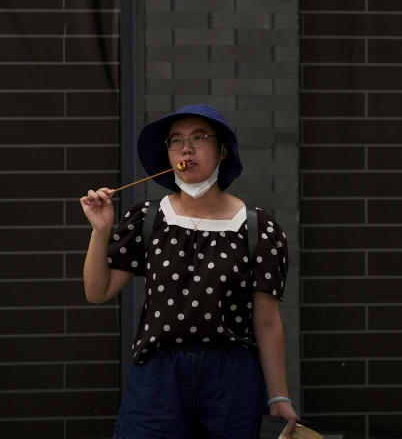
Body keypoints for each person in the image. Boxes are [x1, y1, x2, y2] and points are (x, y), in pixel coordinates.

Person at [81, 103, 299, 439]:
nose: (186, 148)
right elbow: (97, 292)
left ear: (223, 150)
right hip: (158, 378)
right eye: (176, 141)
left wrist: (279, 395)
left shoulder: (259, 228)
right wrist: (100, 231)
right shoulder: (147, 219)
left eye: (200, 138)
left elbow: (268, 321)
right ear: (168, 154)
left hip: (232, 379)